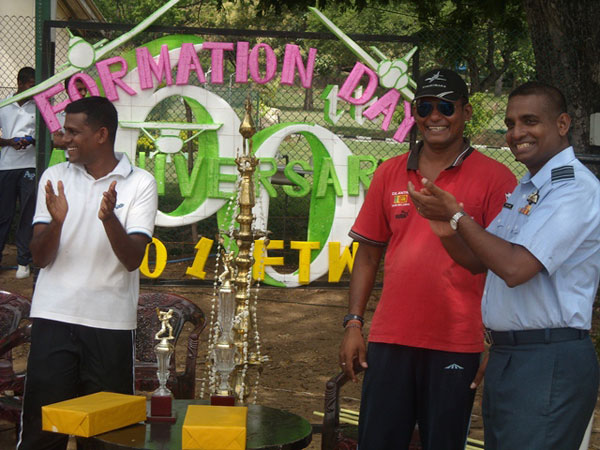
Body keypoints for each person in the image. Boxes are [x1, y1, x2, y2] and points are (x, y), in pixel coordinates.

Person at [408, 81, 600, 449]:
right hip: (510, 355)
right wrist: (446, 227)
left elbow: (514, 269)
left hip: (548, 359)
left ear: (562, 124)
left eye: (530, 121)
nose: (517, 133)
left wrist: (457, 216)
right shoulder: (529, 189)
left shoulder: (575, 189)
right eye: (511, 123)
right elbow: (479, 260)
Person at [339, 68, 517, 450]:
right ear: (415, 113)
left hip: (458, 341)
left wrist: (499, 342)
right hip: (390, 339)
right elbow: (368, 255)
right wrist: (353, 324)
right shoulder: (390, 173)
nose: (435, 116)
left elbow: (506, 267)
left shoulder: (496, 178)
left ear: (466, 112)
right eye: (425, 107)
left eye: (446, 107)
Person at [18, 96, 158, 450]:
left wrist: (109, 218)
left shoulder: (140, 183)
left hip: (110, 324)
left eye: (73, 132)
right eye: (65, 131)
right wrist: (57, 222)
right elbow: (40, 258)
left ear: (101, 135)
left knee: (106, 436)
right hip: (53, 317)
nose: (64, 139)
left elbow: (132, 259)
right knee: (42, 433)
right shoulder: (55, 177)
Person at [0, 67, 36, 279]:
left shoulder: (39, 106)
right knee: (3, 214)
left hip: (30, 165)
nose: (34, 90)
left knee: (27, 214)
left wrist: (31, 140)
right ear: (20, 83)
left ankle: (23, 261)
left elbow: (48, 136)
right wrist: (9, 142)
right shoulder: (4, 105)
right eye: (31, 85)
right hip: (6, 166)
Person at [52, 75, 89, 150]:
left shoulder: (92, 113)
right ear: (68, 91)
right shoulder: (57, 116)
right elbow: (56, 141)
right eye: (79, 90)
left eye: (85, 89)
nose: (83, 93)